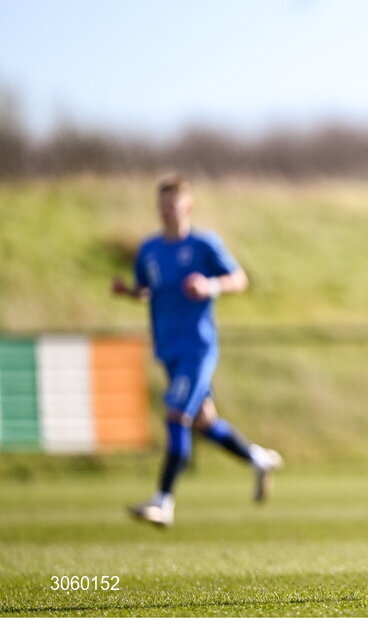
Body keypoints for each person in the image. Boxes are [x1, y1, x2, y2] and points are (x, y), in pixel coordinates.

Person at [112, 173, 283, 527]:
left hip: (197, 348)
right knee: (204, 422)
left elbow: (239, 279)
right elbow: (149, 290)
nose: (167, 212)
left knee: (176, 415)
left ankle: (163, 502)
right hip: (168, 348)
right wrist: (129, 292)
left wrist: (210, 286)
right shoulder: (150, 250)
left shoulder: (204, 245)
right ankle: (257, 458)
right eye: (162, 206)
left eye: (173, 205)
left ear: (187, 206)